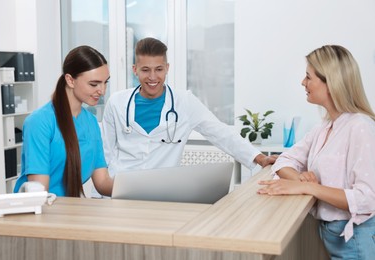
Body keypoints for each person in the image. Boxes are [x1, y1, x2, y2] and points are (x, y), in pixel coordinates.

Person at [258, 45, 375, 259]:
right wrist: (300, 180)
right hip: (332, 235)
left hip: (355, 240)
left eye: (308, 77)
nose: (303, 83)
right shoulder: (325, 127)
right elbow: (284, 161)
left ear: (330, 83)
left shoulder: (360, 126)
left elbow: (367, 198)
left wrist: (310, 188)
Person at [102, 37, 276, 177]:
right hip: (120, 189)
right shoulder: (117, 102)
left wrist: (259, 158)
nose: (153, 77)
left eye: (159, 69)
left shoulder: (184, 102)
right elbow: (105, 153)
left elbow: (221, 133)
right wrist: (101, 196)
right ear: (135, 70)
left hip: (162, 193)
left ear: (167, 68)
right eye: (145, 70)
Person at [14, 45, 113, 197]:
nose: (102, 90)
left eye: (105, 82)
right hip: (38, 211)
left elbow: (102, 182)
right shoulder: (39, 122)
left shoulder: (91, 122)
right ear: (70, 80)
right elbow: (39, 191)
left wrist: (136, 187)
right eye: (94, 84)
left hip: (70, 209)